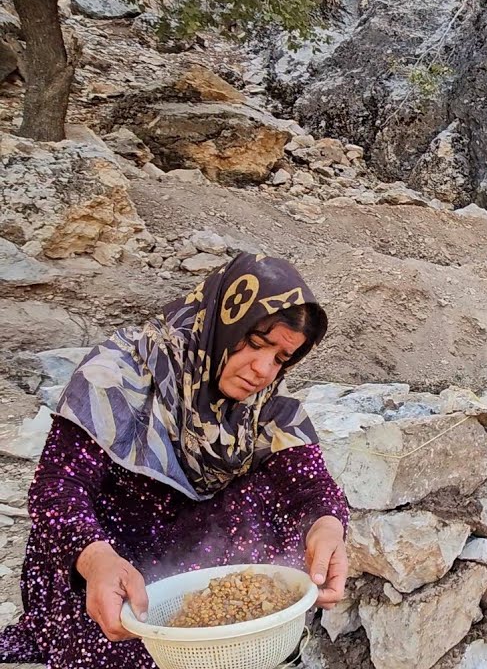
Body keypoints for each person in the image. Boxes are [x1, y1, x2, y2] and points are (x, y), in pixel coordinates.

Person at [0, 254, 350, 668]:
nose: (262, 370)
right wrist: (95, 560)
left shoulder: (266, 408)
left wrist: (327, 527)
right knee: (131, 648)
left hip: (193, 552)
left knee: (272, 495)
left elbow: (309, 485)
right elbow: (58, 486)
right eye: (256, 344)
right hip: (113, 555)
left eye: (280, 359)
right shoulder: (120, 373)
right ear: (222, 324)